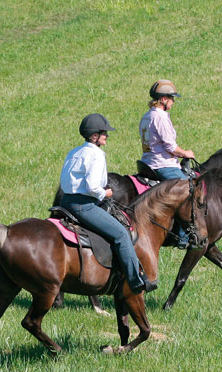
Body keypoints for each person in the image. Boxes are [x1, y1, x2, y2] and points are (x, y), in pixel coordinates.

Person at [60, 114, 156, 294]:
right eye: (104, 133)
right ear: (94, 136)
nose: (107, 136)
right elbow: (92, 186)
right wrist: (106, 193)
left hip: (65, 202)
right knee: (121, 234)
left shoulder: (74, 152)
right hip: (84, 205)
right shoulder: (96, 154)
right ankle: (135, 281)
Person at [138, 80, 196, 248]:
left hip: (147, 162)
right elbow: (170, 146)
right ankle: (183, 237)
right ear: (163, 99)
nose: (173, 101)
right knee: (189, 190)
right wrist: (186, 153)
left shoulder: (146, 116)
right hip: (163, 164)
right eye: (171, 98)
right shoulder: (160, 117)